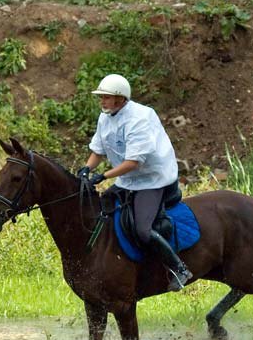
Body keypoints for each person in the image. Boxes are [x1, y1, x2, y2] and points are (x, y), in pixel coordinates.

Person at [79, 73, 193, 292]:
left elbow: (133, 162)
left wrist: (104, 176)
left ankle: (179, 269)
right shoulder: (105, 117)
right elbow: (98, 150)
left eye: (106, 97)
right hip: (128, 179)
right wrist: (87, 168)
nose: (102, 100)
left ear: (121, 98)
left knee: (142, 229)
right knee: (102, 211)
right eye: (101, 96)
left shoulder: (140, 118)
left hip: (152, 179)